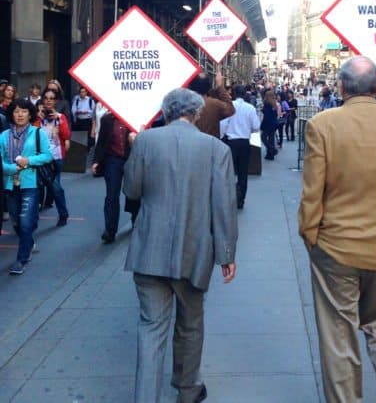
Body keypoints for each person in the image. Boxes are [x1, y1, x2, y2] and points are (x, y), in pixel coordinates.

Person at [298, 56, 376, 403]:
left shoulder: (322, 124)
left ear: (341, 87)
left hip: (336, 247)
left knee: (339, 335)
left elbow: (312, 191)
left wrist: (310, 235)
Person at [123, 87, 237, 403]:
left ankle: (145, 397)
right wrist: (227, 253)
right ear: (196, 113)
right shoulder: (216, 149)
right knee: (190, 324)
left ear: (166, 111)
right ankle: (187, 389)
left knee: (151, 329)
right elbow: (224, 205)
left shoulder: (145, 140)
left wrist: (135, 150)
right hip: (196, 250)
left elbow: (131, 190)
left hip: (149, 250)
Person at [0, 98, 53, 275]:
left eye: (23, 111)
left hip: (30, 183)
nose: (20, 114)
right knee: (16, 221)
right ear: (11, 114)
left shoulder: (38, 133)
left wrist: (28, 161)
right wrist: (10, 168)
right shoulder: (3, 136)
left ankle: (21, 259)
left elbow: (47, 156)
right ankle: (28, 242)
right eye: (16, 111)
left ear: (30, 114)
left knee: (25, 222)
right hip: (10, 183)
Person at [92, 113, 137, 243]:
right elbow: (101, 141)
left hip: (132, 159)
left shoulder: (136, 117)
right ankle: (110, 230)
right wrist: (96, 161)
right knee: (112, 195)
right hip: (113, 160)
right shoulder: (107, 119)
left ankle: (135, 217)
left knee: (133, 193)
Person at [35, 89, 71, 227]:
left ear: (56, 101)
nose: (48, 100)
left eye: (52, 98)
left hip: (56, 157)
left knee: (56, 187)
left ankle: (63, 214)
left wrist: (59, 121)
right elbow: (32, 133)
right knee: (36, 186)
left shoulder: (60, 117)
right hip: (40, 158)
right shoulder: (38, 118)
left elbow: (66, 135)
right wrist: (37, 118)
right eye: (46, 98)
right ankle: (33, 216)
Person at [221, 85, 260, 209]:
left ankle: (229, 197)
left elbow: (223, 125)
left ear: (233, 93)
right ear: (244, 95)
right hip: (244, 142)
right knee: (243, 172)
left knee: (229, 171)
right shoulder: (250, 108)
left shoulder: (229, 107)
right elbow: (256, 126)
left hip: (231, 142)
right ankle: (241, 199)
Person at [187, 71, 235, 138]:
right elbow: (230, 109)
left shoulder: (183, 104)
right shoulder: (215, 104)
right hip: (210, 145)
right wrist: (220, 86)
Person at [260, 89, 278, 160]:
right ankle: (270, 155)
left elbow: (267, 115)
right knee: (271, 138)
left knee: (263, 137)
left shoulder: (267, 104)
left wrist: (263, 110)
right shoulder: (274, 103)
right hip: (274, 123)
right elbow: (275, 114)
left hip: (268, 123)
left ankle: (272, 149)